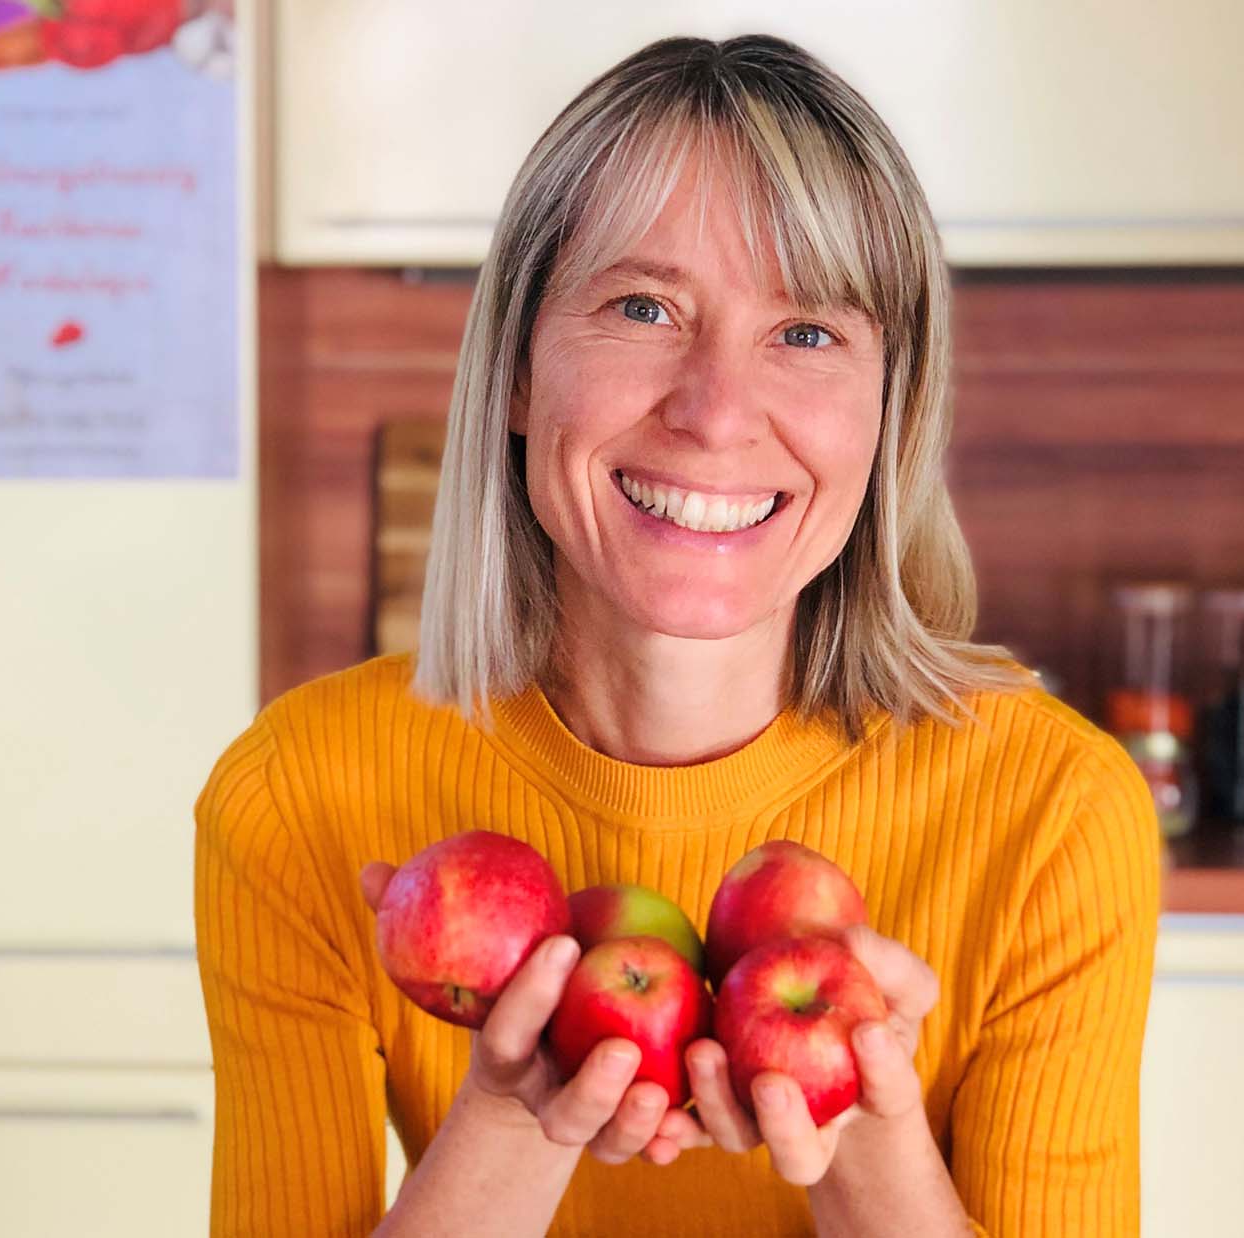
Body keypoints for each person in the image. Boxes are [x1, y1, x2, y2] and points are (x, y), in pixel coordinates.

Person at [194, 33, 1160, 1238]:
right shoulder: (302, 796)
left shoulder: (1051, 812)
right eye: (642, 306)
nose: (713, 412)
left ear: (889, 412)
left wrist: (867, 1139)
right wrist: (508, 1122)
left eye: (804, 332)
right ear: (513, 371)